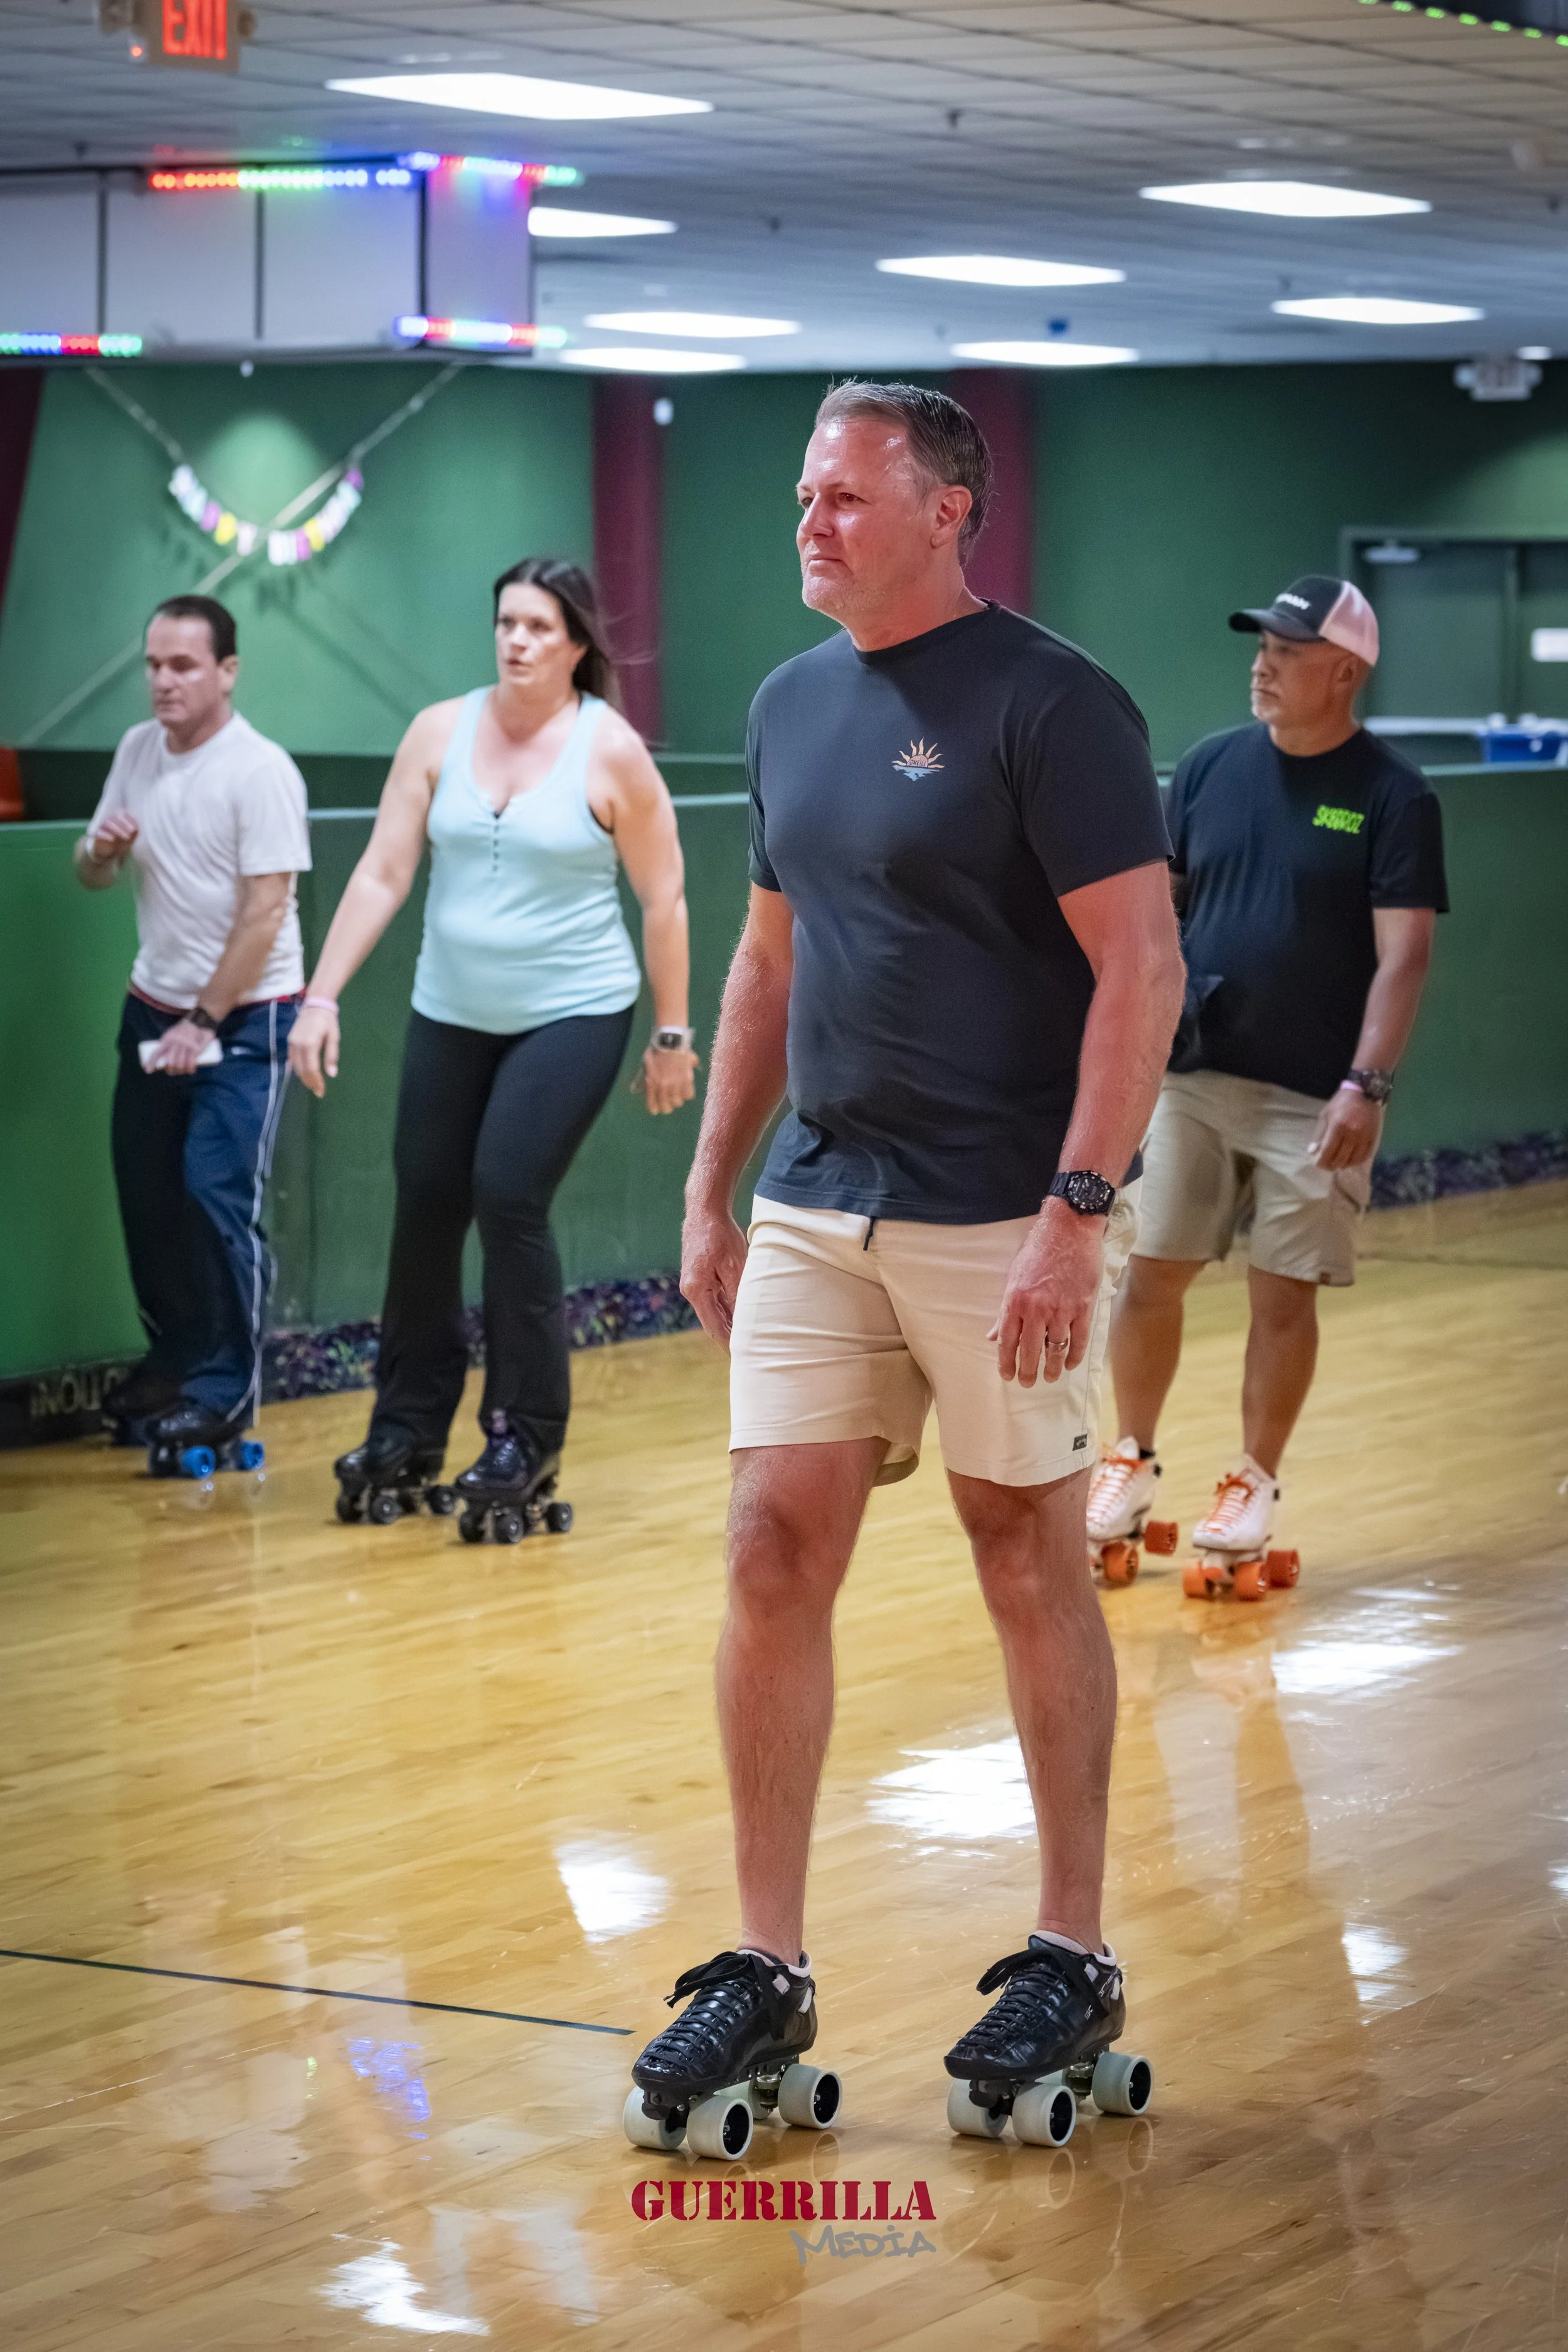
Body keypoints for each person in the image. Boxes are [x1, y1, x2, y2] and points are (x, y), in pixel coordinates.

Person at [625, 381, 1185, 2154]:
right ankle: (766, 1963)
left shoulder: (1051, 699)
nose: (808, 521)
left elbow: (1142, 968)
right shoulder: (788, 704)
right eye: (803, 494)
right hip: (816, 1197)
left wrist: (1076, 1207)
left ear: (947, 510)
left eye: (845, 496)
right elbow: (763, 972)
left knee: (1022, 1552)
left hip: (994, 1208)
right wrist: (713, 1186)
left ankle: (1071, 1947)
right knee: (768, 1541)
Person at [288, 557, 696, 1532]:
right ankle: (406, 1429)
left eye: (539, 627)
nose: (516, 640)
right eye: (506, 622)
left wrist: (672, 1033)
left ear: (578, 645)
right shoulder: (439, 731)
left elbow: (666, 895)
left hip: (574, 1012)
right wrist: (320, 996)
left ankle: (523, 1434)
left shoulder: (611, 751)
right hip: (451, 1009)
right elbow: (385, 871)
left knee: (508, 1193)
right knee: (427, 1197)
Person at [1090, 575, 1448, 1575]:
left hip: (1316, 1095)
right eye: (1261, 646)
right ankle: (1131, 1453)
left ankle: (1252, 1477)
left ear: (1345, 672)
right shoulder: (1207, 769)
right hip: (1193, 1077)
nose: (1264, 663)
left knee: (1283, 1293)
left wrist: (1366, 1085)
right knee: (1150, 1271)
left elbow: (1404, 955)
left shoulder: (1393, 795)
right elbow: (1158, 917)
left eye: (1287, 651)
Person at [75, 594, 310, 1458]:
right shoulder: (138, 751)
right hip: (153, 1007)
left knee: (216, 1191)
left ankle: (226, 1385)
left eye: (182, 666)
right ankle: (174, 1358)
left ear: (226, 672)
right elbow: (93, 872)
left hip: (247, 1021)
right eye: (153, 665)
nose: (163, 682)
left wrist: (203, 1022)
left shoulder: (261, 771)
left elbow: (265, 912)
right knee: (150, 1193)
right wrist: (99, 851)